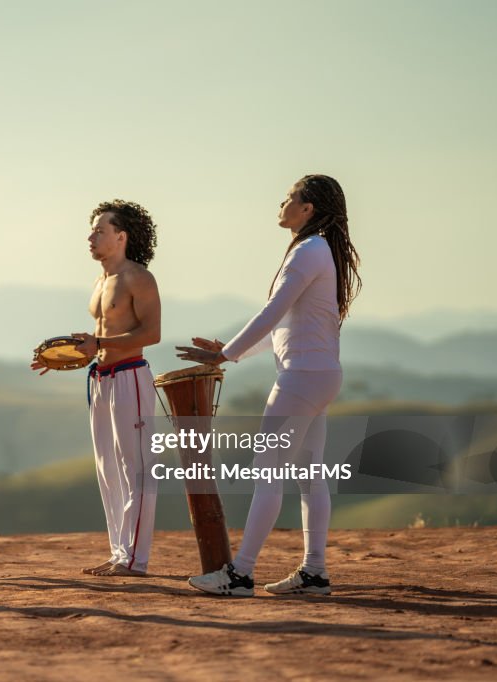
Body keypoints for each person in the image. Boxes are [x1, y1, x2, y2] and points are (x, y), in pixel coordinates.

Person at [178, 174, 361, 596]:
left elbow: (271, 311)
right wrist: (232, 350)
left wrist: (225, 356)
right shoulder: (318, 250)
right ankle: (314, 572)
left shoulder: (308, 251)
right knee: (310, 475)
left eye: (289, 197)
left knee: (268, 471)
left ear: (307, 208)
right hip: (320, 377)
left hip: (301, 379)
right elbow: (282, 325)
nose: (282, 204)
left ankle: (239, 575)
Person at [32, 200, 161, 576]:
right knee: (108, 469)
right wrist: (64, 357)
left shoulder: (139, 277)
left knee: (135, 468)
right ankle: (121, 552)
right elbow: (99, 337)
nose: (91, 237)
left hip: (130, 377)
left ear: (120, 237)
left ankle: (137, 560)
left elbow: (151, 333)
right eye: (91, 230)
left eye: (99, 230)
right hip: (100, 379)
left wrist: (100, 345)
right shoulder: (100, 280)